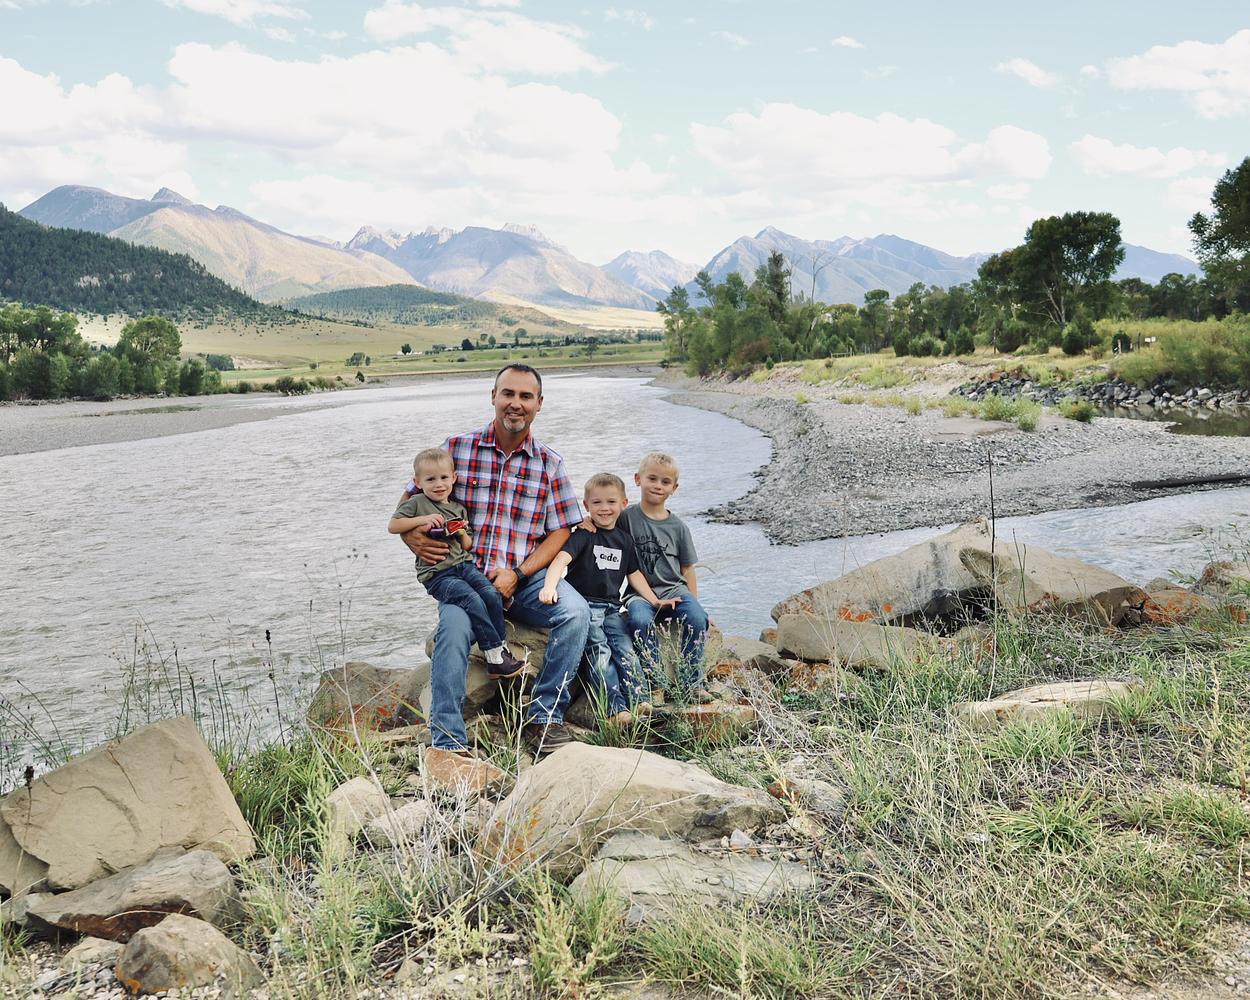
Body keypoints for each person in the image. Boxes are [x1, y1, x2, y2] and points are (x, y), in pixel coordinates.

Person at [398, 364, 590, 778]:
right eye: (508, 394)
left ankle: (544, 718)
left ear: (539, 404)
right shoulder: (456, 449)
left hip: (523, 579)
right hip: (465, 576)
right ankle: (447, 741)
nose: (515, 404)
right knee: (452, 630)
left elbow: (561, 531)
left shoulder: (550, 463)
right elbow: (408, 505)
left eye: (525, 396)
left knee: (576, 613)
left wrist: (518, 574)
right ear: (493, 396)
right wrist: (413, 539)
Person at [538, 472, 676, 726]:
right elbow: (560, 560)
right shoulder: (583, 535)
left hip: (612, 608)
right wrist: (549, 587)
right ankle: (616, 710)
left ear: (624, 503)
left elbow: (634, 574)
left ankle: (641, 702)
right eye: (597, 502)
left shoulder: (624, 540)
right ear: (586, 505)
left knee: (625, 650)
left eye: (611, 502)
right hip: (586, 607)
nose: (604, 508)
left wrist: (654, 600)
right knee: (600, 653)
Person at [388, 447, 525, 678]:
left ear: (454, 478)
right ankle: (493, 656)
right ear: (418, 482)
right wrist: (422, 520)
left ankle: (500, 650)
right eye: (430, 479)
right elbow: (393, 525)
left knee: (491, 595)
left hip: (465, 566)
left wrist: (460, 531)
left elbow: (468, 545)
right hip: (439, 575)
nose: (438, 484)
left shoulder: (458, 508)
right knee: (473, 600)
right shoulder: (418, 503)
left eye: (444, 478)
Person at [619, 452, 710, 699]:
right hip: (639, 593)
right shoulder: (626, 518)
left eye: (665, 482)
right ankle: (656, 683)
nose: (658, 485)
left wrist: (695, 603)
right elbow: (603, 522)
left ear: (674, 488)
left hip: (675, 590)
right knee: (639, 620)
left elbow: (687, 569)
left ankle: (692, 683)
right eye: (652, 478)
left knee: (697, 618)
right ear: (638, 479)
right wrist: (587, 522)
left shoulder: (678, 527)